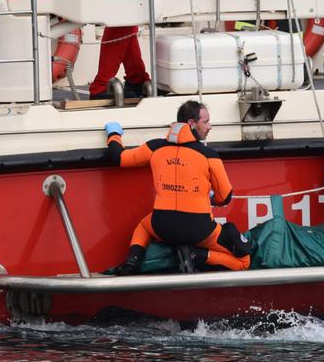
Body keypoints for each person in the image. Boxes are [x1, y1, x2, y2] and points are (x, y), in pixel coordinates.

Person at [103, 100, 252, 275]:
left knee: (143, 227)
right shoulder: (209, 155)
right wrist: (211, 197)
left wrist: (113, 133)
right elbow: (225, 197)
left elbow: (120, 158)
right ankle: (199, 255)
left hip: (162, 226)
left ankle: (132, 260)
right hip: (199, 230)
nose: (210, 126)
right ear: (191, 123)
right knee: (243, 261)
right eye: (206, 122)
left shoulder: (155, 147)